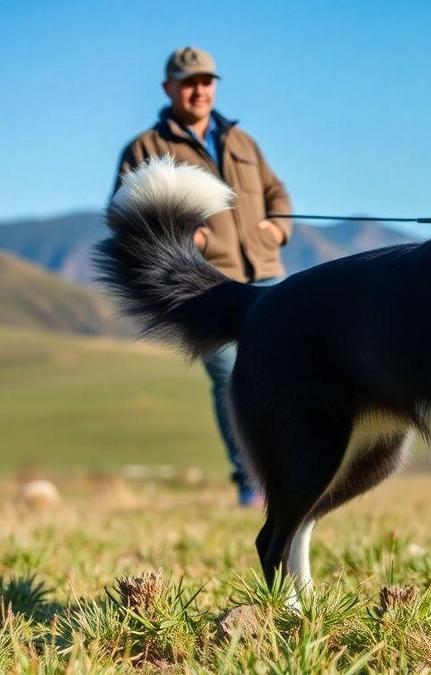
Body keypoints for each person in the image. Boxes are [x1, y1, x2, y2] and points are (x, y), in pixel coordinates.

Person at [113, 46, 293, 506]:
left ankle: (289, 468)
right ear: (168, 88)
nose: (199, 90)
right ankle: (250, 479)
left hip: (267, 276)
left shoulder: (242, 140)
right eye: (189, 82)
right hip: (204, 284)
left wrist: (276, 228)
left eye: (207, 81)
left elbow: (277, 193)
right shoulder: (145, 149)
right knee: (230, 377)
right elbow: (123, 216)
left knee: (288, 371)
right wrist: (175, 240)